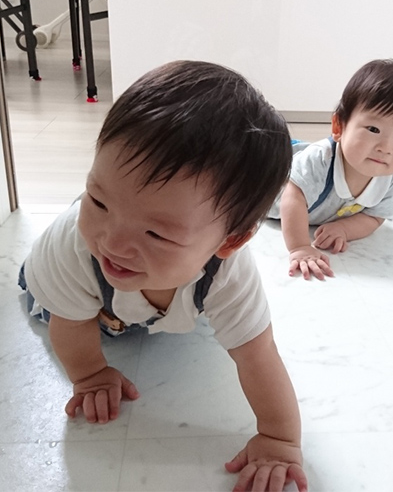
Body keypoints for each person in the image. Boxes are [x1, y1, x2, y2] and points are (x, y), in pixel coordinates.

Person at [18, 60, 308, 492]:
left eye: (156, 232)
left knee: (204, 311)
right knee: (70, 308)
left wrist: (280, 438)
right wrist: (91, 375)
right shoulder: (75, 248)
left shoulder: (228, 276)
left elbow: (258, 354)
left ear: (230, 241)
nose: (113, 241)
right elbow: (71, 323)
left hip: (162, 294)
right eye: (98, 200)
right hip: (79, 303)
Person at [268, 59, 393, 281]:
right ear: (338, 126)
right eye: (373, 129)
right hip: (266, 173)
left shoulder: (390, 180)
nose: (385, 148)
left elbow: (376, 216)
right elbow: (293, 197)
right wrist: (300, 247)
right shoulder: (320, 160)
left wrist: (345, 229)